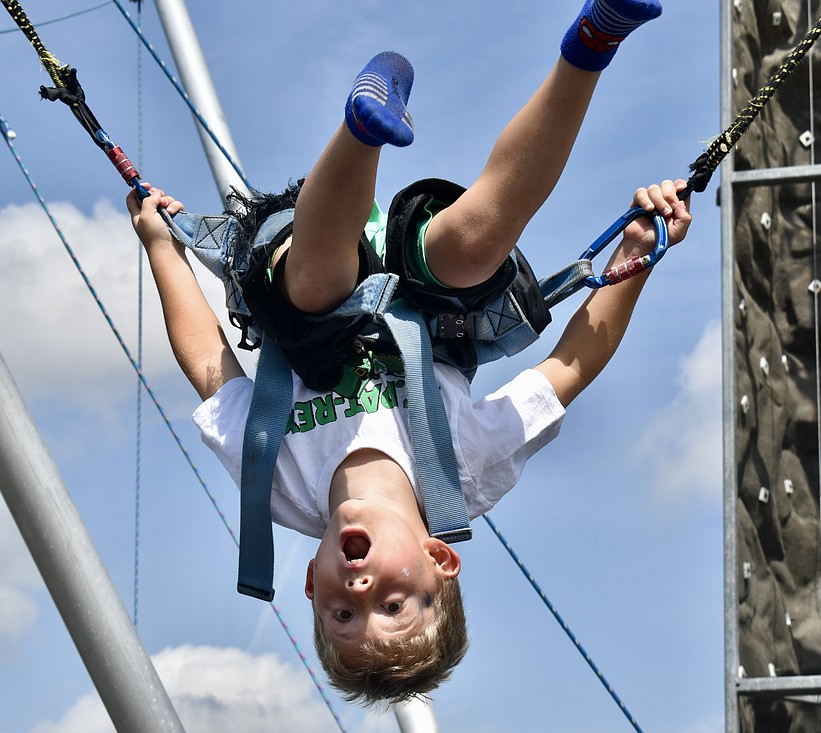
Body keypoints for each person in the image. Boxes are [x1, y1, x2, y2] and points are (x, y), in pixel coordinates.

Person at [127, 0, 691, 706]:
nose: (362, 592)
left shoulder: (278, 485)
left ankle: (363, 127)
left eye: (341, 614)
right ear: (439, 558)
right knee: (477, 245)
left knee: (311, 295)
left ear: (310, 582)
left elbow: (209, 364)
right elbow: (567, 368)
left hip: (309, 272)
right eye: (394, 605)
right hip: (430, 297)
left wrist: (159, 246)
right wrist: (637, 257)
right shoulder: (467, 475)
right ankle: (593, 40)